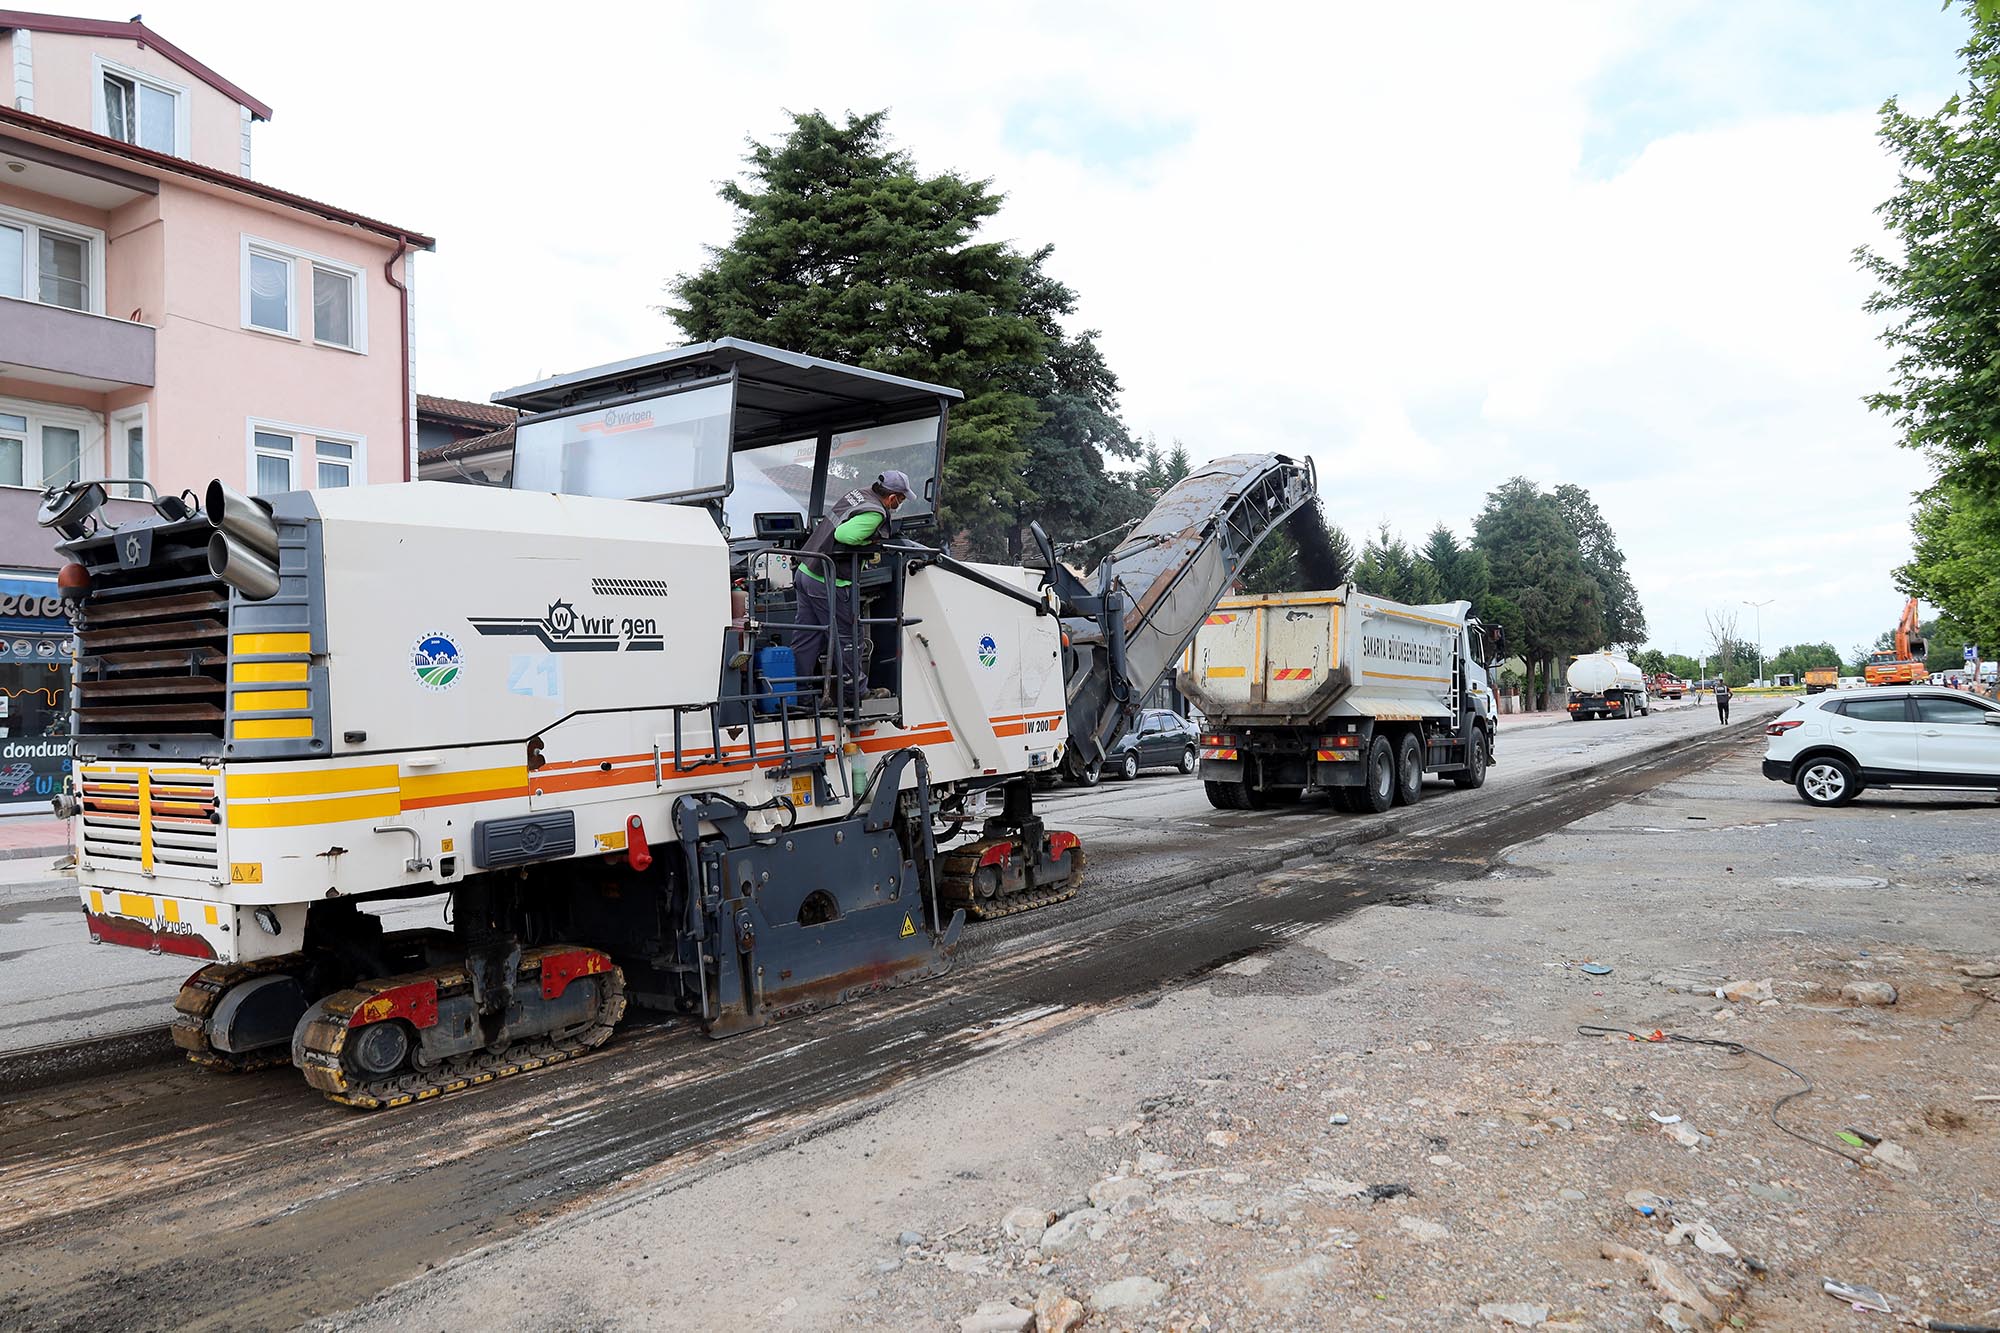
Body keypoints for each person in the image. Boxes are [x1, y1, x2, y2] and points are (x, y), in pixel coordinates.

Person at [789, 470, 910, 709]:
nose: (900, 504)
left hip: (807, 571)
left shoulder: (859, 495)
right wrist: (869, 542)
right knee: (848, 637)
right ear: (892, 497)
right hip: (829, 580)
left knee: (807, 639)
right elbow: (844, 534)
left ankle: (800, 696)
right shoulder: (875, 513)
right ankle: (858, 694)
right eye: (901, 499)